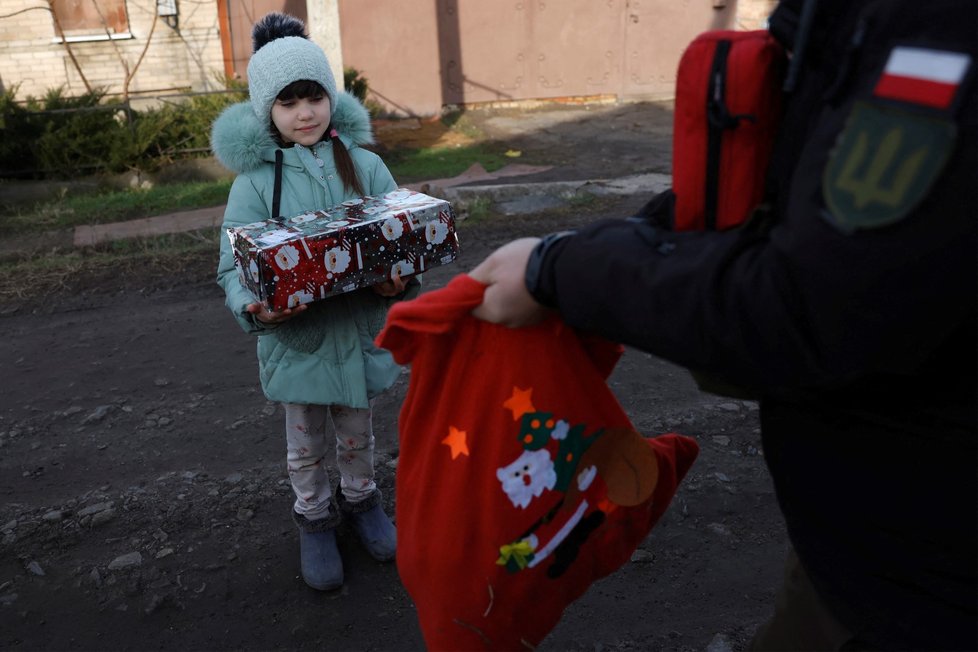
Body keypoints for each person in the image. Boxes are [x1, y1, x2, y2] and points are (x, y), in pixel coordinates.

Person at [468, 0, 977, 648]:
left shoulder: (943, 33)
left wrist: (558, 270)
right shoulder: (868, 22)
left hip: (929, 585)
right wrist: (612, 243)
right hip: (863, 541)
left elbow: (808, 307)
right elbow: (787, 201)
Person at [211, 12, 417, 592]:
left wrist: (396, 280)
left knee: (358, 435)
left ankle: (363, 502)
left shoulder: (366, 164)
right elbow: (234, 264)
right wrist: (256, 306)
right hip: (297, 343)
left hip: (357, 335)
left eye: (314, 96)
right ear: (266, 112)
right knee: (305, 447)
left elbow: (397, 237)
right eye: (287, 102)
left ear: (331, 97)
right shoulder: (253, 183)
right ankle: (315, 520)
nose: (304, 113)